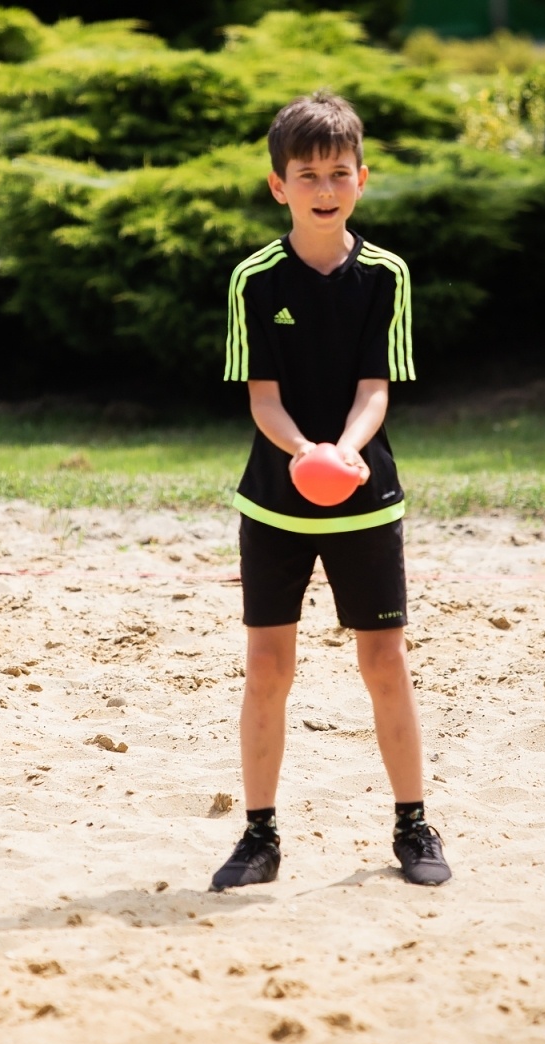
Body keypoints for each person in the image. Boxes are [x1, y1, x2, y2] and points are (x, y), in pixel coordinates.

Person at [212, 91, 451, 891]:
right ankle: (258, 837)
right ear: (278, 184)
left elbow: (376, 388)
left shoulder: (387, 275)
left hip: (365, 494)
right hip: (273, 501)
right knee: (268, 667)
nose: (324, 186)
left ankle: (414, 826)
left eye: (338, 172)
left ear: (362, 178)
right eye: (306, 173)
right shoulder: (255, 278)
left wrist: (343, 454)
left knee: (385, 661)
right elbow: (263, 400)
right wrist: (304, 452)